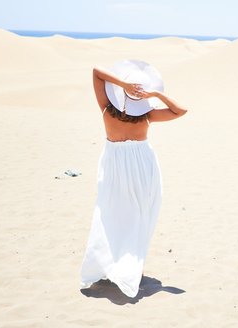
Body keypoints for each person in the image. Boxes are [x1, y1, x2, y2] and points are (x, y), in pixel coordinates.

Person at [80, 60, 187, 298]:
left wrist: (123, 84)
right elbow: (181, 110)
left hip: (115, 165)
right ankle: (127, 265)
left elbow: (97, 72)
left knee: (110, 213)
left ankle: (113, 264)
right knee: (138, 216)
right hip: (142, 167)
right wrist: (157, 94)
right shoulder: (147, 116)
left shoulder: (107, 109)